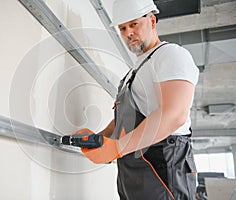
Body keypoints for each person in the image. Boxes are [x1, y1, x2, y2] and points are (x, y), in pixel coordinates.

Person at [75, 0, 199, 199]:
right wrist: (99, 139)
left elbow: (174, 114)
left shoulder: (170, 55)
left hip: (164, 165)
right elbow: (128, 119)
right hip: (134, 169)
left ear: (152, 21)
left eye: (133, 24)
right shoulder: (134, 72)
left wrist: (116, 147)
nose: (127, 33)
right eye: (122, 28)